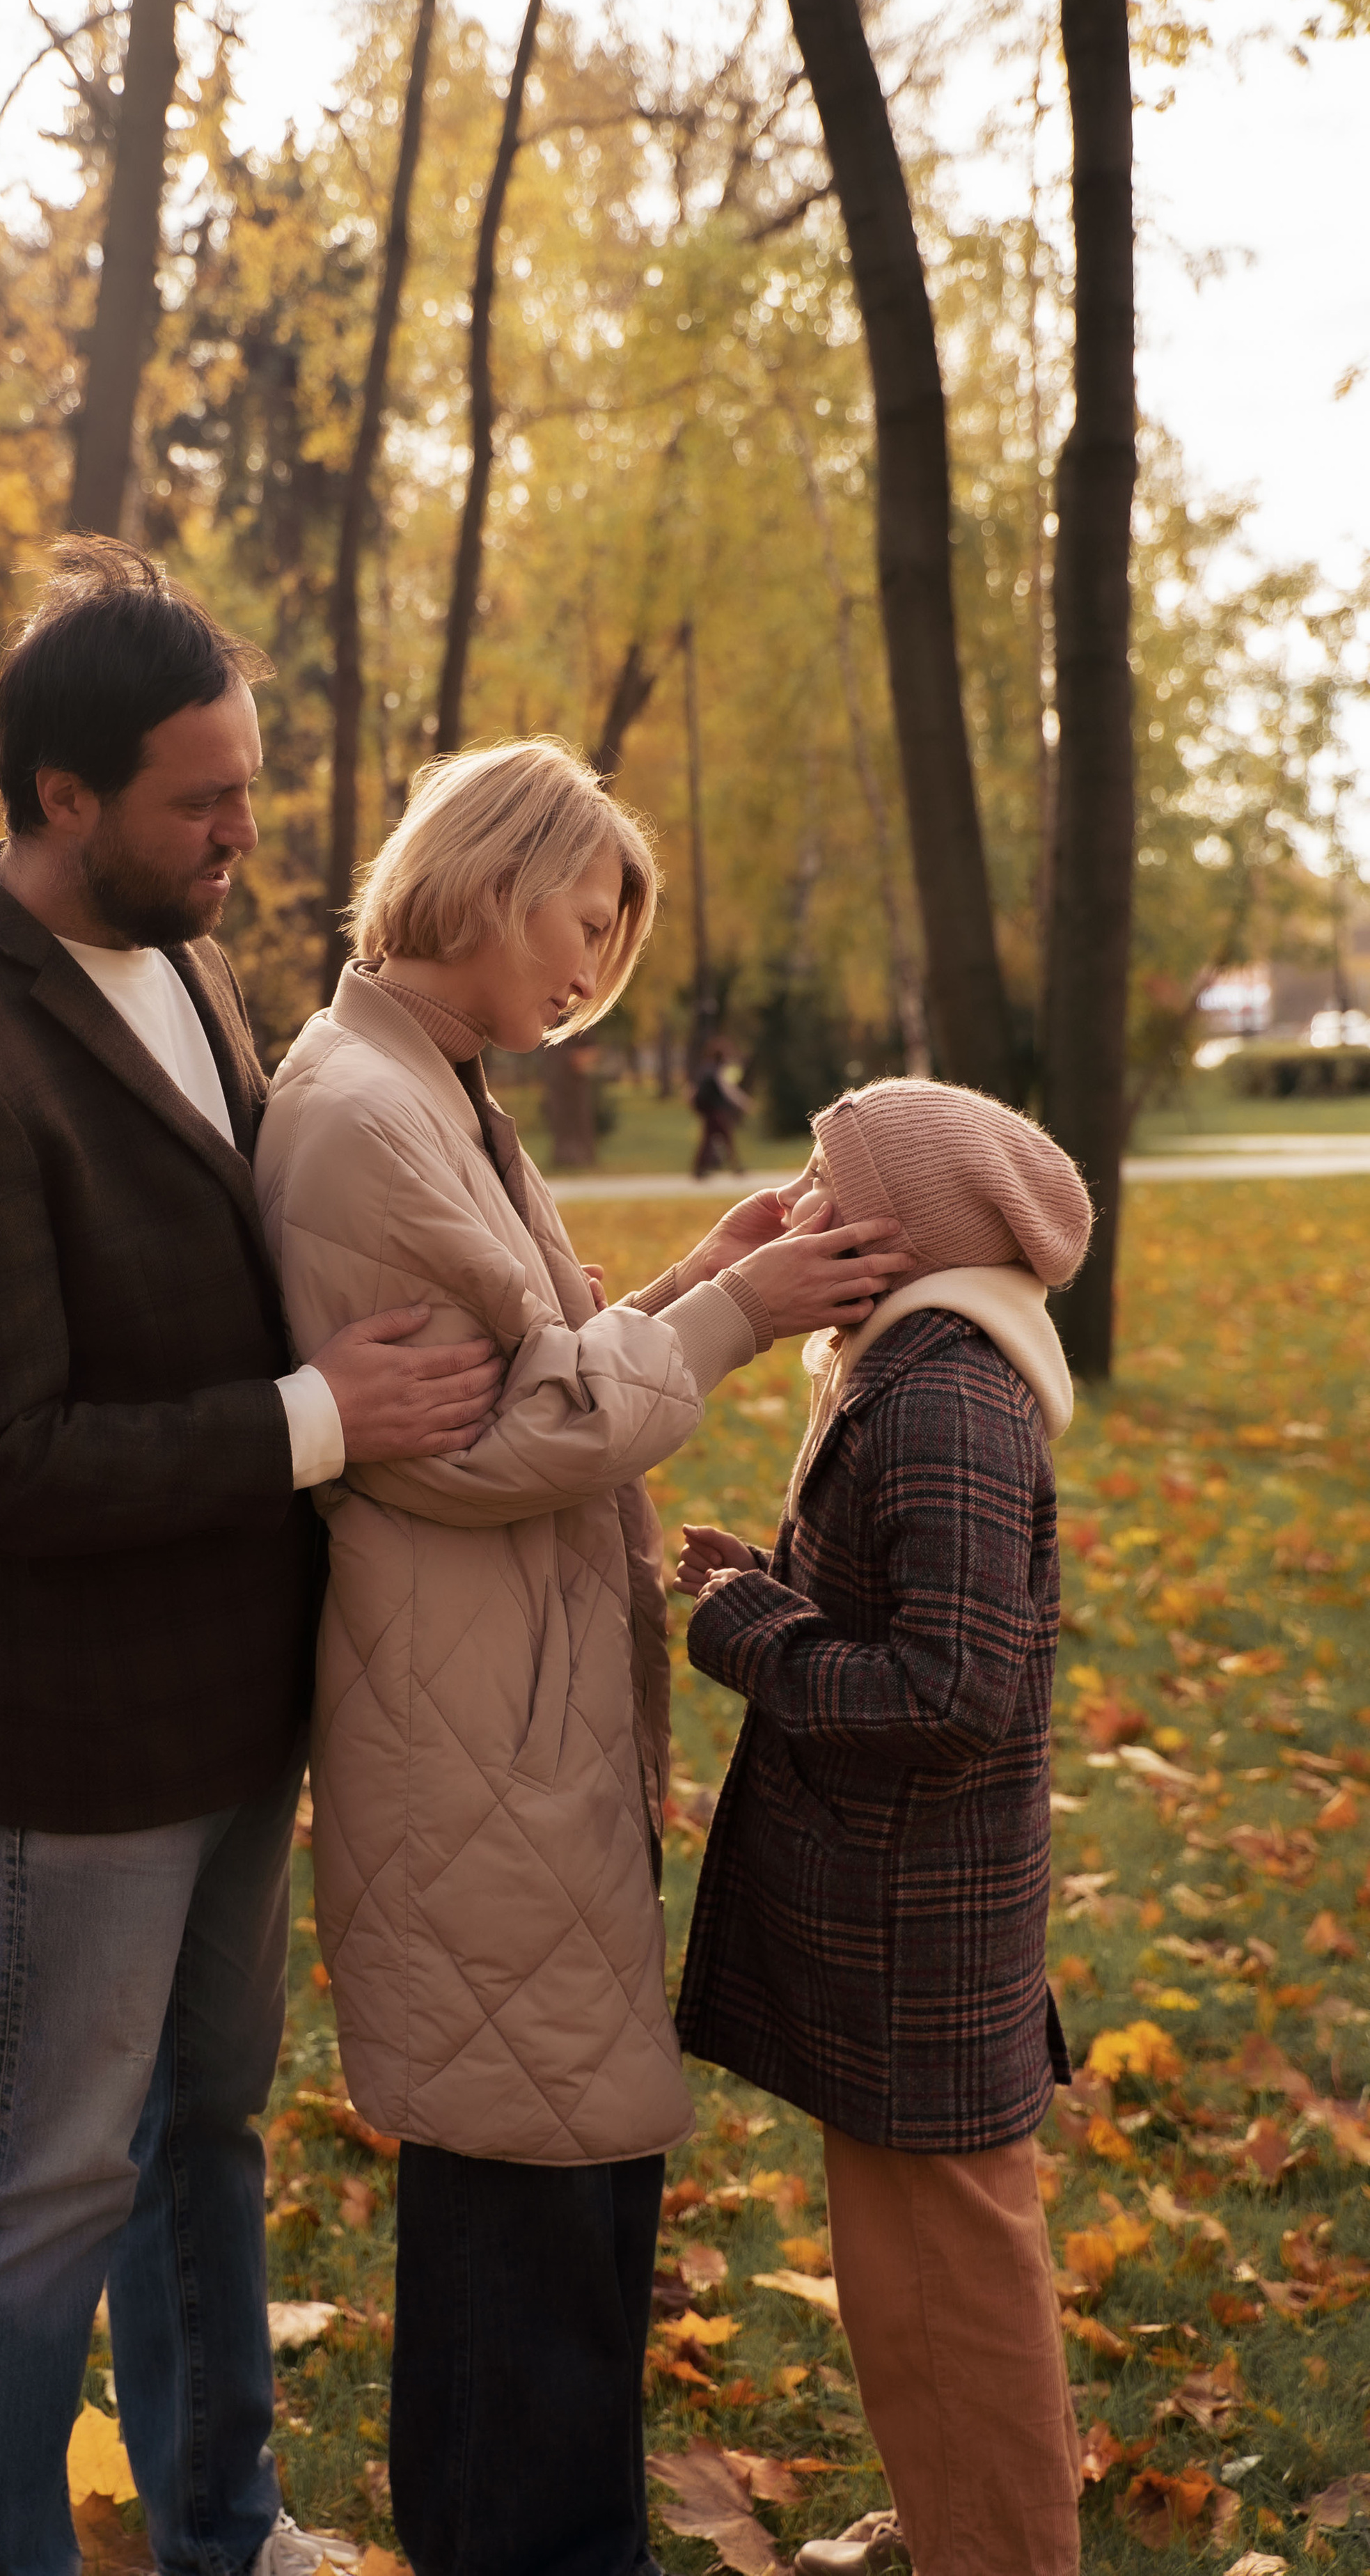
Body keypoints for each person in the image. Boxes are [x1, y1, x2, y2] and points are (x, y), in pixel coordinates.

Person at [0, 537, 507, 2576]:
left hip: (236, 1696)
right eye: (202, 795)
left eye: (248, 782)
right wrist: (320, 1415)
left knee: (202, 2131)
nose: (244, 832)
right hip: (73, 1732)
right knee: (38, 2183)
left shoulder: (186, 953)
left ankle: (223, 2524)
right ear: (61, 798)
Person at [253, 739, 914, 2576]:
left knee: (568, 2190)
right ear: (480, 874)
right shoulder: (362, 1119)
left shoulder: (433, 1088)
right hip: (471, 1730)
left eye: (616, 930)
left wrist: (689, 1276)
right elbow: (480, 1439)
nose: (595, 959)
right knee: (527, 2206)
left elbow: (521, 1359)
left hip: (516, 1717)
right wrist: (732, 1314)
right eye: (583, 912)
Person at [672, 1077, 1095, 2576]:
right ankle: (954, 2520)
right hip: (909, 1903)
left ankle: (994, 2547)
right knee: (913, 2269)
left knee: (942, 2278)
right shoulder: (901, 1363)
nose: (790, 1194)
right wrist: (772, 1584)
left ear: (895, 1228)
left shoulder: (937, 1394)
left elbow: (955, 1689)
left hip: (917, 1914)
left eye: (818, 1174)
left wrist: (745, 1635)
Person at [690, 1036, 750, 1179]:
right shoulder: (717, 1071)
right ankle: (736, 1168)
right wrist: (743, 1103)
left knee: (709, 1139)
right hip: (716, 1111)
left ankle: (700, 1169)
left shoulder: (706, 1069)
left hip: (708, 1111)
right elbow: (728, 1091)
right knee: (725, 1138)